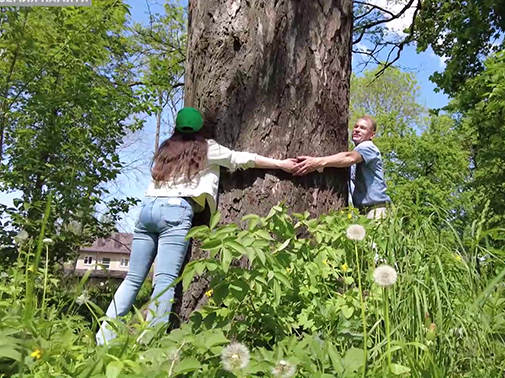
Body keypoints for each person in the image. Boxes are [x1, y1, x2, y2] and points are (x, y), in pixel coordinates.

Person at [96, 107, 297, 345]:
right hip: (175, 210)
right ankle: (150, 341)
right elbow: (241, 159)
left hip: (147, 210)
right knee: (165, 281)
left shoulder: (165, 149)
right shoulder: (207, 148)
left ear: (176, 128)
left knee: (132, 279)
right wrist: (281, 164)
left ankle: (103, 338)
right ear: (202, 127)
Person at [291, 115, 391, 219]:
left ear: (372, 135)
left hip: (377, 211)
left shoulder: (368, 147)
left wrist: (318, 162)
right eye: (356, 126)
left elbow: (349, 158)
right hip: (364, 212)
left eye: (363, 128)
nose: (357, 130)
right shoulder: (358, 150)